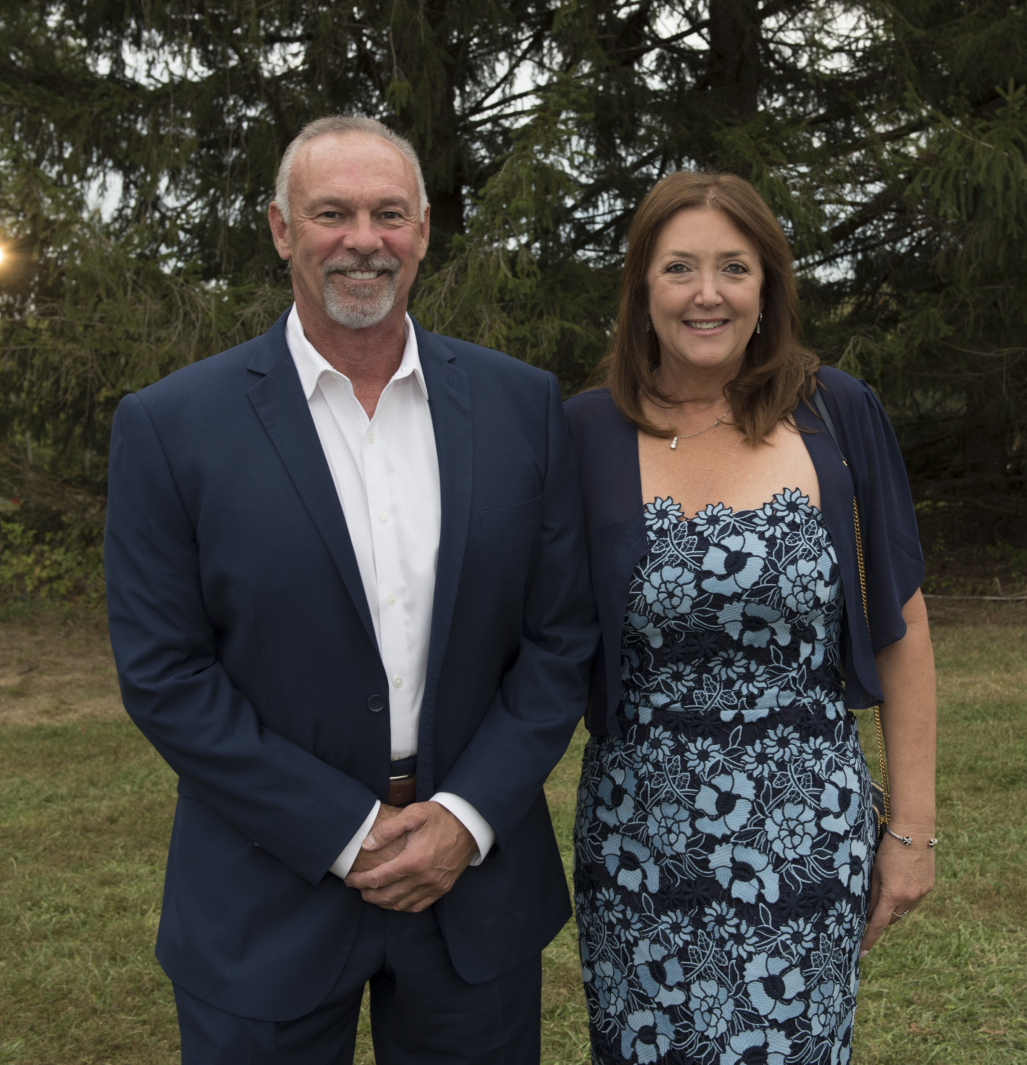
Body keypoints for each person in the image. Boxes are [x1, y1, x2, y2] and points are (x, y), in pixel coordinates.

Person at [103, 115, 598, 1064]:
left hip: (472, 889)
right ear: (281, 229)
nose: (363, 240)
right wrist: (343, 830)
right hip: (264, 889)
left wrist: (466, 818)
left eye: (389, 214)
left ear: (423, 231)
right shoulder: (172, 426)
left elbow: (560, 639)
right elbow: (166, 673)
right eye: (332, 213)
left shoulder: (520, 404)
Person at [564, 171, 936, 1065]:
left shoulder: (836, 413)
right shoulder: (581, 433)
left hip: (804, 832)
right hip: (638, 839)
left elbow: (903, 629)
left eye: (733, 267)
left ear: (767, 286)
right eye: (679, 268)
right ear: (641, 288)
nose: (708, 293)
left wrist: (911, 833)